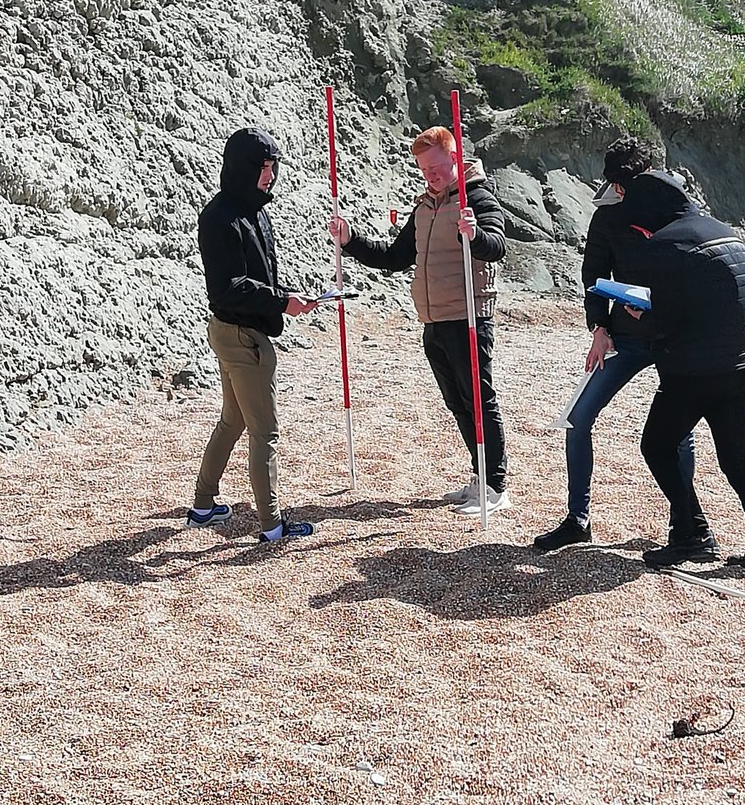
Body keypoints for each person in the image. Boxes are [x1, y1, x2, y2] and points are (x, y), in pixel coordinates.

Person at [534, 138, 705, 553]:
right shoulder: (606, 216)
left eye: (626, 184)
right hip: (624, 338)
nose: (620, 193)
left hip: (670, 338)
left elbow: (697, 271)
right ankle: (578, 519)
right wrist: (598, 328)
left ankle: (684, 526)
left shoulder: (677, 210)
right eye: (615, 185)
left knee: (678, 434)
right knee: (577, 417)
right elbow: (592, 273)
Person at [329, 125, 509, 514]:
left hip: (468, 316)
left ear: (455, 158)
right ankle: (480, 475)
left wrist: (474, 235)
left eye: (438, 168)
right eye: (425, 170)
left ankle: (496, 486)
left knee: (479, 400)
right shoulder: (425, 207)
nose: (432, 176)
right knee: (458, 403)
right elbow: (395, 257)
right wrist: (351, 241)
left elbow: (496, 247)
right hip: (434, 319)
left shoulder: (477, 198)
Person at [615, 172, 745, 574]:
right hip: (740, 364)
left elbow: (668, 320)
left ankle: (693, 533)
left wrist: (642, 314)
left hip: (691, 373)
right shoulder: (729, 233)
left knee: (656, 446)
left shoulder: (665, 243)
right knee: (739, 459)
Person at [187, 126, 318, 543]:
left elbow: (255, 276)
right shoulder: (220, 217)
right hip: (242, 336)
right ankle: (272, 526)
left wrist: (282, 298)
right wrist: (281, 301)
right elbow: (229, 286)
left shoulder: (254, 210)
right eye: (263, 166)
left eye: (273, 166)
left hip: (236, 332)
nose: (270, 174)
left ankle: (204, 505)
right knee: (265, 431)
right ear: (244, 167)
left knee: (233, 420)